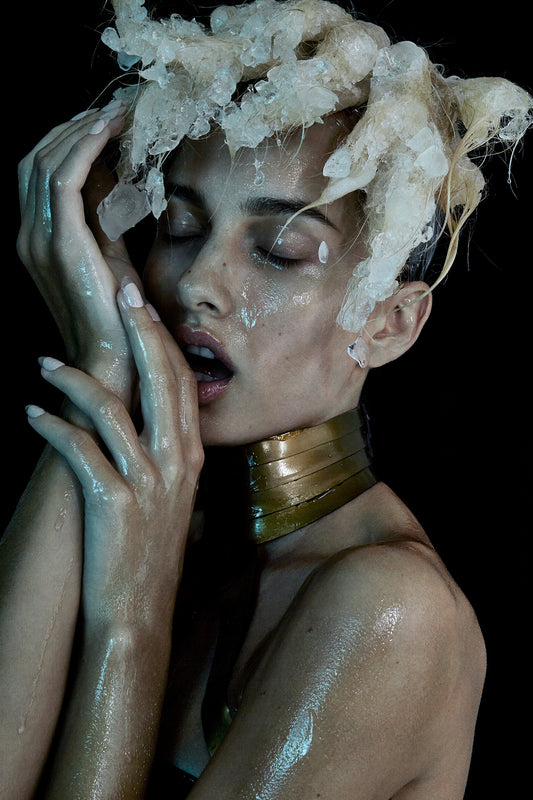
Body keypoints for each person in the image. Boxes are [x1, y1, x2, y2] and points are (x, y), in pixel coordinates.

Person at [1, 1, 531, 798]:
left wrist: (132, 620)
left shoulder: (391, 611)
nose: (194, 284)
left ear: (388, 325)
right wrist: (104, 356)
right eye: (178, 227)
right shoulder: (168, 525)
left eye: (279, 251)